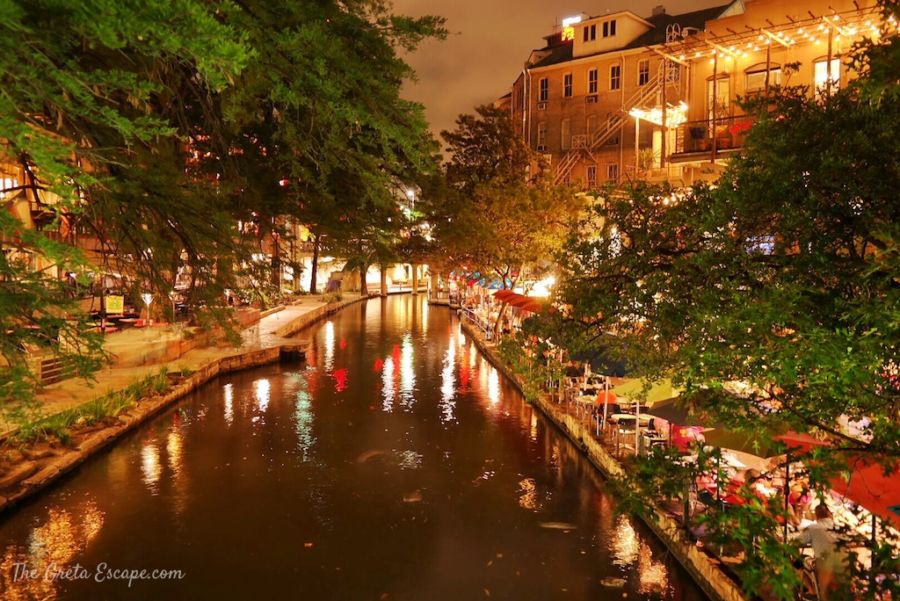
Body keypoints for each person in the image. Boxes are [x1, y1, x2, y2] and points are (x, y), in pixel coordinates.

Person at [794, 504, 847, 600]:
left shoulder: (813, 528)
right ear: (829, 514)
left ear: (816, 516)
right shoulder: (841, 527)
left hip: (824, 564)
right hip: (844, 562)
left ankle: (812, 590)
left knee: (798, 562)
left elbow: (795, 542)